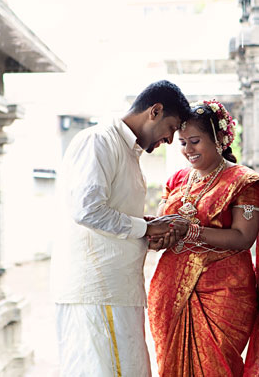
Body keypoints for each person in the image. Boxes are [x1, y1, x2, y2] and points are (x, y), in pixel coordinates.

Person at [51, 80, 190, 376]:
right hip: (98, 293)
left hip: (116, 291)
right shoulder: (99, 141)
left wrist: (150, 227)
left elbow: (116, 214)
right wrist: (144, 228)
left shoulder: (128, 151)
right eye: (172, 127)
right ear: (155, 111)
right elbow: (87, 210)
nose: (169, 139)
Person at [147, 100, 259, 376]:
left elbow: (244, 238)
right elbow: (164, 223)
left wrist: (190, 230)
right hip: (171, 290)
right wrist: (158, 236)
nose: (187, 150)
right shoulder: (176, 180)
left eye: (194, 141)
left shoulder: (243, 182)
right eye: (182, 143)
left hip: (222, 291)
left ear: (220, 138)